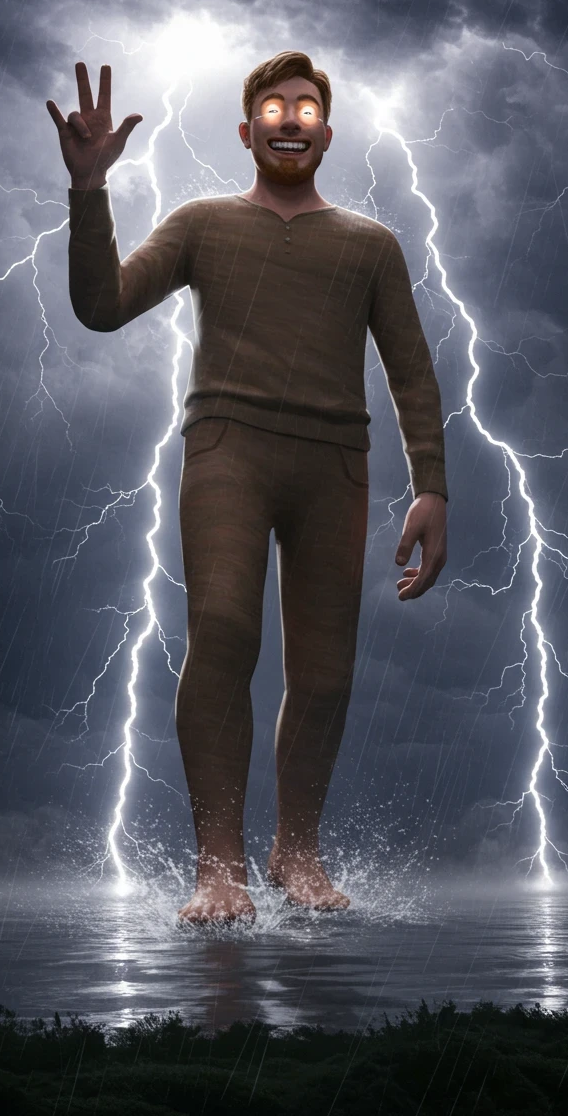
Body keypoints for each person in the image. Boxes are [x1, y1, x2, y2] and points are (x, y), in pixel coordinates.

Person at [46, 51, 448, 925]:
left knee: (327, 671)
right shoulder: (202, 226)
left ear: (328, 132)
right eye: (275, 107)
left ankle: (294, 851)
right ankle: (217, 864)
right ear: (247, 130)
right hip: (228, 449)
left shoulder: (370, 247)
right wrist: (89, 191)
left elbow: (413, 372)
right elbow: (102, 305)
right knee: (224, 630)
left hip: (335, 464)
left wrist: (433, 487)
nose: (292, 118)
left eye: (307, 107)